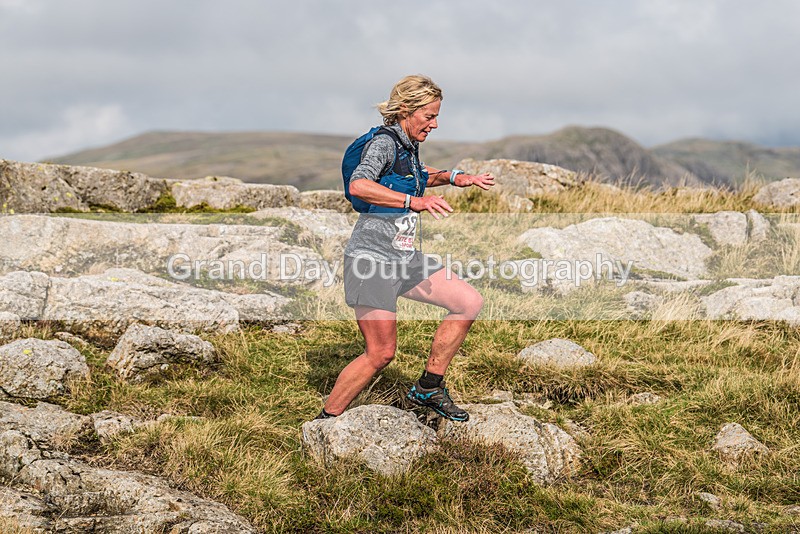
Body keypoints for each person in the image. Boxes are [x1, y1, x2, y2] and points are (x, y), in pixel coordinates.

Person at [317, 74, 495, 422]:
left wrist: (457, 177)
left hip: (403, 259)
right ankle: (325, 420)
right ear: (405, 111)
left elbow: (415, 172)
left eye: (436, 116)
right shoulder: (384, 143)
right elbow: (359, 185)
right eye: (429, 116)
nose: (435, 124)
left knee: (468, 302)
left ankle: (429, 386)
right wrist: (413, 202)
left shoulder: (407, 145)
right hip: (371, 261)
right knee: (380, 353)